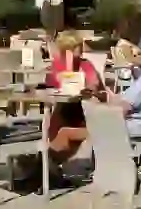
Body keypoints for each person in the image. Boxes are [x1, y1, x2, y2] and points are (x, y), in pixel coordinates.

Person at [42, 32, 103, 174]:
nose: (81, 49)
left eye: (80, 46)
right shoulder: (57, 64)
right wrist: (66, 73)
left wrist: (83, 85)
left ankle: (48, 164)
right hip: (66, 106)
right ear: (66, 49)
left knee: (63, 127)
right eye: (76, 47)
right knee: (59, 120)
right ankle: (49, 164)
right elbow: (51, 84)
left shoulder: (85, 64)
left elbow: (94, 83)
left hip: (86, 109)